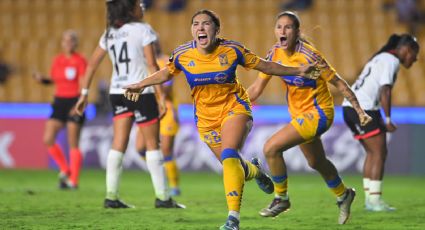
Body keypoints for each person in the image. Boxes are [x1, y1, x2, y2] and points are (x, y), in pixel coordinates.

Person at [123, 9, 321, 230]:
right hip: (206, 119)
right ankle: (255, 171)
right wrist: (141, 84)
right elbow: (166, 73)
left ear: (216, 30)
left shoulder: (233, 50)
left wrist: (299, 70)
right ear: (191, 30)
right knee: (232, 165)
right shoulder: (182, 54)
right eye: (196, 24)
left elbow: (266, 65)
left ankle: (233, 219)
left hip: (234, 108)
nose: (200, 28)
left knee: (229, 155)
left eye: (206, 24)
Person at [246, 11, 372, 224]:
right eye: (279, 27)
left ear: (297, 32)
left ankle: (281, 198)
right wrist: (232, 104)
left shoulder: (311, 57)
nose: (282, 31)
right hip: (300, 115)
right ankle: (344, 195)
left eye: (288, 27)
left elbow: (339, 83)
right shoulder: (274, 54)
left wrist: (359, 111)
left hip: (320, 113)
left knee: (271, 148)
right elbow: (256, 89)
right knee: (316, 161)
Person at [75, 0, 184, 209]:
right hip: (142, 92)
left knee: (118, 144)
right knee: (153, 145)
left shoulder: (109, 34)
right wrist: (161, 97)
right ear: (130, 9)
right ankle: (163, 198)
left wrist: (84, 94)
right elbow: (152, 65)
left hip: (117, 92)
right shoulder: (143, 30)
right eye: (138, 4)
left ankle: (111, 196)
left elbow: (91, 65)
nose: (142, 7)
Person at [342, 34, 419, 212]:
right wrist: (389, 119)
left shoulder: (380, 58)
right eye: (414, 54)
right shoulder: (391, 60)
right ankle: (374, 201)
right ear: (406, 49)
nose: (414, 59)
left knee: (372, 152)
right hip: (363, 108)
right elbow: (385, 90)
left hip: (350, 108)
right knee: (379, 153)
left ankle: (371, 199)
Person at [33, 30, 86, 189]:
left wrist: (81, 102)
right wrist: (43, 80)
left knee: (73, 142)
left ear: (75, 43)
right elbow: (55, 79)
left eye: (71, 40)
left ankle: (74, 181)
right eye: (65, 40)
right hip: (59, 102)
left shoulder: (80, 60)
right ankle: (65, 168)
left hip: (74, 101)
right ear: (62, 43)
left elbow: (83, 82)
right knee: (48, 139)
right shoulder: (58, 60)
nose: (68, 43)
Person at [136, 40, 182, 196]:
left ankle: (174, 185)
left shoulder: (166, 61)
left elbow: (167, 87)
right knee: (140, 148)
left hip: (167, 109)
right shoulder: (142, 64)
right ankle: (160, 172)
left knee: (166, 149)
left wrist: (150, 82)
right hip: (148, 107)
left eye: (153, 43)